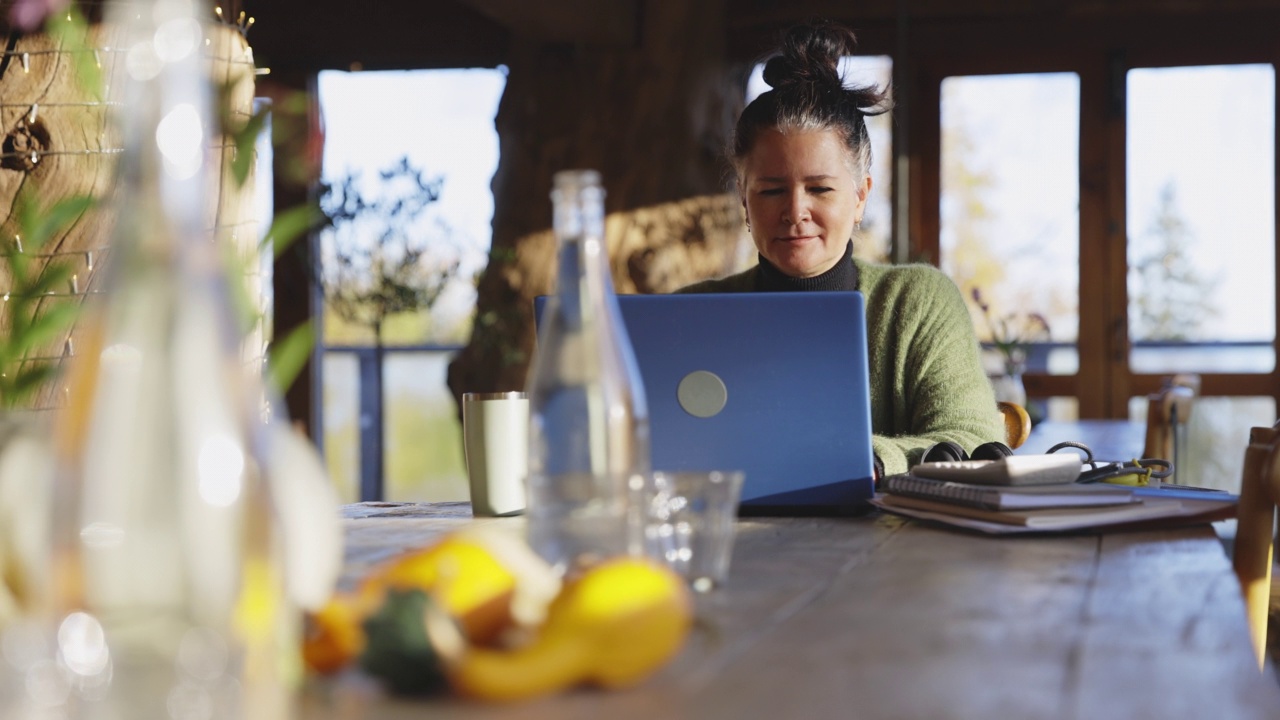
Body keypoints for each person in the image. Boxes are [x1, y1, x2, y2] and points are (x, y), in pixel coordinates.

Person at [679, 20, 1005, 477]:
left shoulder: (916, 303)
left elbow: (973, 439)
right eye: (771, 191)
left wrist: (864, 459)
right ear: (744, 201)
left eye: (820, 189)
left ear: (859, 197)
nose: (795, 211)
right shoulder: (688, 314)